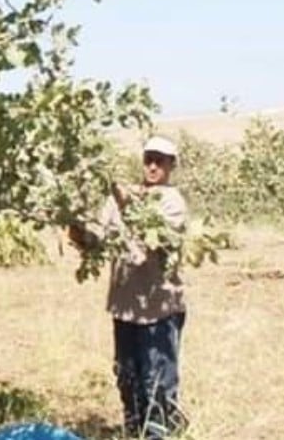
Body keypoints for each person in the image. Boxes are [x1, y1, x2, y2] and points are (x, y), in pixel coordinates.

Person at [69, 136, 189, 439]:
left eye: (159, 160)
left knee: (158, 381)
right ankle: (133, 430)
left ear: (171, 165)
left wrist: (127, 203)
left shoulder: (172, 201)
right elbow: (100, 240)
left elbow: (155, 234)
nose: (152, 166)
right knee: (127, 376)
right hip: (124, 307)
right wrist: (78, 230)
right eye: (148, 158)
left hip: (159, 310)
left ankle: (159, 434)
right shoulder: (118, 198)